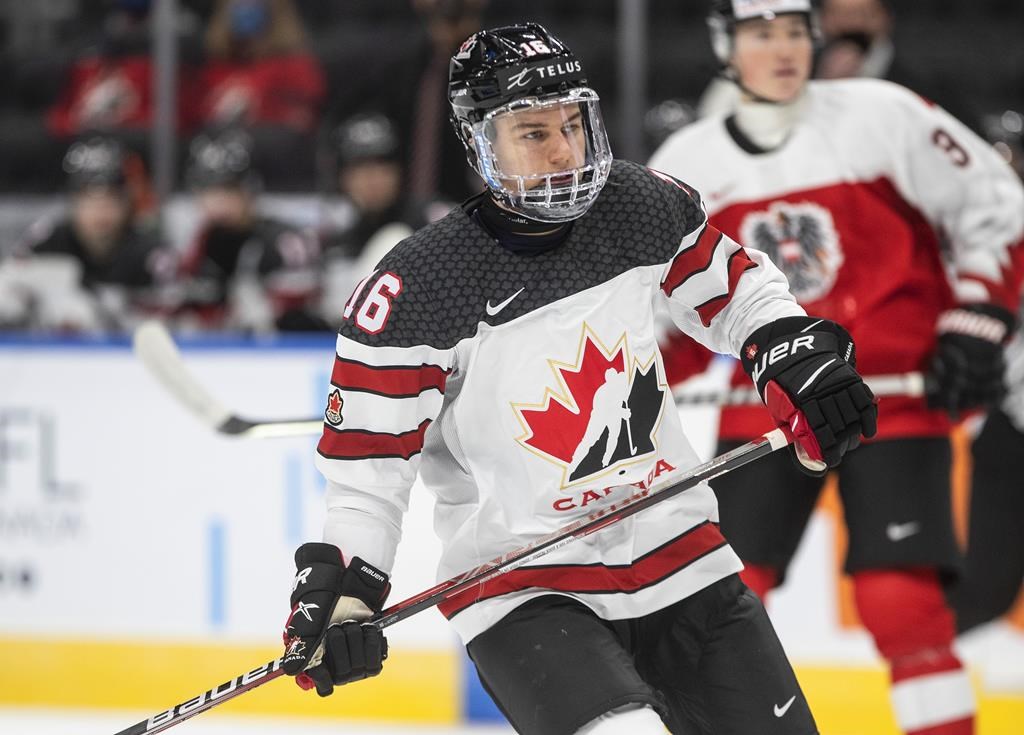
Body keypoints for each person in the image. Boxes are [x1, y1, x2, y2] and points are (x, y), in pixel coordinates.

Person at [279, 23, 878, 735]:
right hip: (524, 589)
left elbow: (740, 292)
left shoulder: (638, 205)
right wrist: (346, 592)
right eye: (534, 133)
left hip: (682, 557)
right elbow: (368, 472)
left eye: (572, 124)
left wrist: (790, 352)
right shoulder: (417, 288)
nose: (564, 150)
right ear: (479, 143)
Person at [648, 3, 1024, 735]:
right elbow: (671, 308)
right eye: (762, 33)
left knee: (901, 604)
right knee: (723, 599)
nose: (783, 49)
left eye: (795, 31)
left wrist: (977, 314)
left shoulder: (883, 115)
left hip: (892, 402)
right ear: (727, 46)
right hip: (767, 405)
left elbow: (996, 206)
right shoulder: (687, 164)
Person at [2, 137, 175, 333]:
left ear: (126, 203)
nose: (100, 211)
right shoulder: (47, 240)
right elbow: (7, 289)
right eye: (89, 200)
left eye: (110, 199)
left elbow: (175, 318)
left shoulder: (150, 253)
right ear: (73, 202)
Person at [177, 129, 324, 332]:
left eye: (228, 189)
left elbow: (303, 324)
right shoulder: (200, 247)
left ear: (249, 190)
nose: (218, 202)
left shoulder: (284, 243)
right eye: (208, 191)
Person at [198, 0, 326, 189]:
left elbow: (302, 121)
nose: (246, 6)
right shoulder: (217, 68)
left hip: (281, 176)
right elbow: (203, 119)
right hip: (226, 182)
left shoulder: (295, 66)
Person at [317, 112, 426, 324]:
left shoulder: (434, 223)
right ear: (342, 177)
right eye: (360, 167)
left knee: (393, 239)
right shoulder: (337, 242)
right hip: (353, 349)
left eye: (382, 165)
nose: (372, 179)